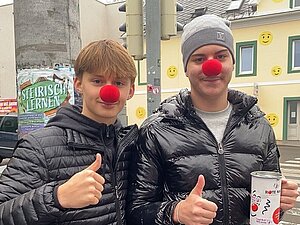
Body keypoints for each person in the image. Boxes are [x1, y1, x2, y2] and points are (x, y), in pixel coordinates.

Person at [126, 15, 299, 225]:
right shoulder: (157, 131)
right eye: (199, 59)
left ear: (232, 63)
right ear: (186, 68)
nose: (211, 67)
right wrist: (176, 211)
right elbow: (136, 212)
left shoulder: (259, 126)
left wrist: (278, 202)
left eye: (221, 56)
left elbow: (265, 212)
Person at [0, 39, 138, 225]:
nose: (109, 91)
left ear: (130, 90)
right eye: (97, 81)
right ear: (78, 84)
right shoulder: (39, 147)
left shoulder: (132, 146)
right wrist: (57, 197)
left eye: (119, 82)